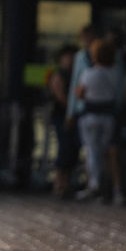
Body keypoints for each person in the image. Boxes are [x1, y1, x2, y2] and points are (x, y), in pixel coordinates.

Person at [73, 37, 123, 201]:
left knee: (92, 151)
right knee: (107, 152)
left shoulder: (89, 73)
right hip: (109, 116)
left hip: (91, 115)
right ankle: (113, 188)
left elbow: (80, 93)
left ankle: (94, 184)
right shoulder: (115, 73)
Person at [47, 45, 79, 197]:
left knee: (71, 149)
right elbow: (60, 96)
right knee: (64, 148)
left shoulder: (75, 74)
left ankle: (65, 183)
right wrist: (71, 110)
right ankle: (59, 184)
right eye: (68, 57)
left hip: (71, 116)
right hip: (62, 116)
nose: (71, 60)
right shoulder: (59, 74)